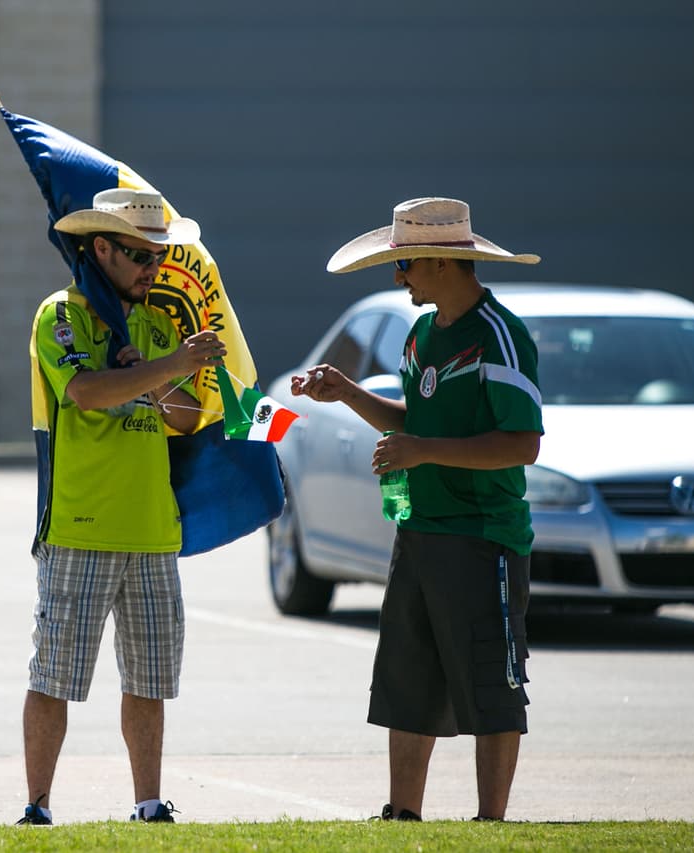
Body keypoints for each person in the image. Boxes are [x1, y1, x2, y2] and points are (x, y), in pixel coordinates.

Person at [291, 197, 543, 821]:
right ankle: (401, 816)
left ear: (439, 260)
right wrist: (346, 393)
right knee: (408, 685)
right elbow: (419, 421)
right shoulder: (420, 334)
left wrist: (420, 450)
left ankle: (492, 824)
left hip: (485, 537)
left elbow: (523, 443)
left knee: (491, 685)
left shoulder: (501, 335)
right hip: (420, 532)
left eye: (403, 264)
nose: (398, 277)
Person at [16, 188, 226, 826]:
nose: (153, 269)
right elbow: (84, 392)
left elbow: (186, 416)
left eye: (160, 256)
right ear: (99, 248)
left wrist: (167, 373)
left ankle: (149, 804)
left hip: (153, 530)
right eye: (140, 255)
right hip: (81, 527)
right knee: (55, 676)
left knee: (151, 680)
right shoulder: (62, 314)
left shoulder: (160, 322)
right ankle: (37, 807)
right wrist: (163, 366)